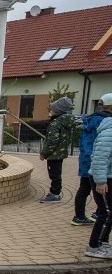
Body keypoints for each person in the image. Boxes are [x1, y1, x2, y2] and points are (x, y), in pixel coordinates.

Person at [73, 94, 112, 225]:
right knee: (102, 190)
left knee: (84, 188)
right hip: (99, 161)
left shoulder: (88, 120)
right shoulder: (106, 122)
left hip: (85, 159)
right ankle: (99, 213)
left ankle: (79, 216)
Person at [39, 97, 77, 203]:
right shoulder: (67, 122)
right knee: (57, 174)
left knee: (54, 175)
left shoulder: (55, 123)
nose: (50, 111)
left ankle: (54, 194)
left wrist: (44, 153)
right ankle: (55, 192)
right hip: (61, 153)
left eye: (52, 109)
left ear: (58, 111)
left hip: (54, 155)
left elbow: (52, 141)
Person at [85, 114, 112, 258]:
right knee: (106, 212)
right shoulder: (109, 133)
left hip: (108, 177)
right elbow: (100, 158)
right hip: (104, 179)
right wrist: (101, 182)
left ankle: (103, 243)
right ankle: (94, 246)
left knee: (109, 213)